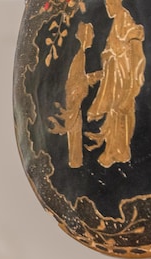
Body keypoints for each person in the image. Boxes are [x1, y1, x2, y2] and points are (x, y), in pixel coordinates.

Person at [85, 0, 146, 168]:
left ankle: (120, 151)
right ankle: (113, 150)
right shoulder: (118, 20)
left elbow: (136, 55)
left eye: (109, 4)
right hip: (115, 77)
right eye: (106, 5)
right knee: (114, 112)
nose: (107, 8)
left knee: (122, 111)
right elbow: (111, 52)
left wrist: (132, 85)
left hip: (125, 76)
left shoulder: (125, 19)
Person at [49, 21, 97, 168]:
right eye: (91, 35)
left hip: (75, 99)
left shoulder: (81, 55)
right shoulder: (79, 56)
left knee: (75, 132)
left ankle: (76, 162)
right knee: (74, 132)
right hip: (74, 100)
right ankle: (75, 162)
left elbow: (78, 80)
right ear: (85, 37)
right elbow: (75, 81)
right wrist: (93, 77)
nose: (93, 37)